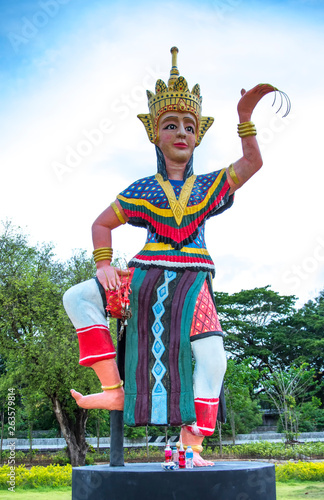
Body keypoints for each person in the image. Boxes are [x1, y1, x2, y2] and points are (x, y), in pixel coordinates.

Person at [63, 47, 289, 466]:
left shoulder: (209, 185)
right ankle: (114, 387)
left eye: (189, 126)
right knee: (76, 298)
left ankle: (193, 443)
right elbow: (101, 224)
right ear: (155, 134)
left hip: (191, 282)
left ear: (199, 134)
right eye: (171, 126)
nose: (181, 133)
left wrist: (244, 117)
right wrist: (103, 263)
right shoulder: (140, 190)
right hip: (144, 277)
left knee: (214, 361)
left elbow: (253, 161)